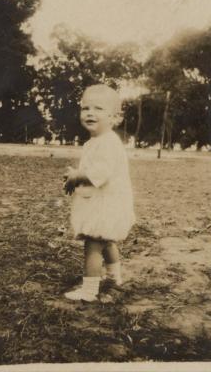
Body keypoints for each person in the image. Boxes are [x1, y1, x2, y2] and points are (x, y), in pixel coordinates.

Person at [63, 84, 135, 302]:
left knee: (93, 245)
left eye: (98, 109)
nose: (90, 113)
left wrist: (76, 176)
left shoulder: (109, 143)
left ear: (115, 117)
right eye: (85, 108)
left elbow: (100, 173)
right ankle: (114, 278)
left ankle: (89, 291)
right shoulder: (95, 142)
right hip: (102, 202)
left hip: (106, 204)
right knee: (107, 241)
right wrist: (76, 177)